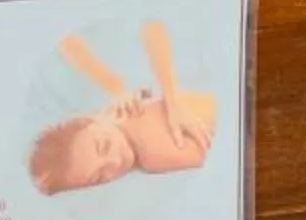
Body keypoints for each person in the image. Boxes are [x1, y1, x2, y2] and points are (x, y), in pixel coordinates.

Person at [28, 21, 219, 194]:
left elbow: (153, 23)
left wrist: (172, 101)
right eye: (100, 176)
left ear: (96, 116)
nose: (115, 162)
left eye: (104, 146)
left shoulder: (151, 153)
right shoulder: (123, 120)